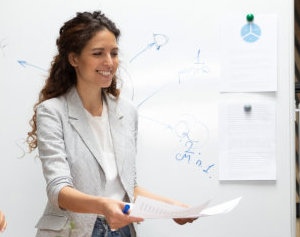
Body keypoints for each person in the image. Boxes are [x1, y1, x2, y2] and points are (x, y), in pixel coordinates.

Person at [27, 11, 195, 237]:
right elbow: (59, 191)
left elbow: (127, 188)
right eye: (98, 53)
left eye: (114, 53)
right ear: (74, 59)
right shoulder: (52, 112)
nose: (109, 62)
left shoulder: (127, 112)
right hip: (74, 230)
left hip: (121, 229)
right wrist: (104, 205)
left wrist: (170, 207)